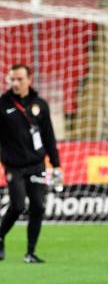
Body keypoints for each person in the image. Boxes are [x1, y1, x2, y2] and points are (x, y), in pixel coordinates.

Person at [0, 64, 61, 263]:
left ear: (29, 79)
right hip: (14, 166)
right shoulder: (3, 104)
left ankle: (30, 252)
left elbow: (48, 136)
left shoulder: (40, 105)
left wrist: (56, 163)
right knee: (17, 205)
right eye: (12, 79)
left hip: (36, 164)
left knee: (37, 206)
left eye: (19, 79)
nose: (15, 83)